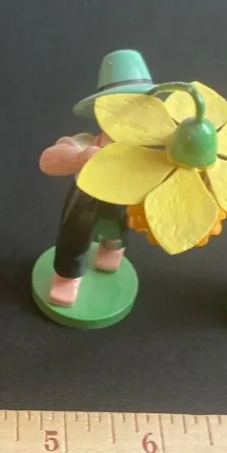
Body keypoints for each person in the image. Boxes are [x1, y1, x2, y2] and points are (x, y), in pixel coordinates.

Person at [39, 50, 156, 306]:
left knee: (119, 228)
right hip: (86, 197)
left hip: (124, 196)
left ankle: (112, 249)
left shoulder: (146, 151)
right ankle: (67, 276)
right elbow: (48, 160)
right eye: (120, 109)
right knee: (75, 235)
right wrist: (80, 158)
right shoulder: (88, 143)